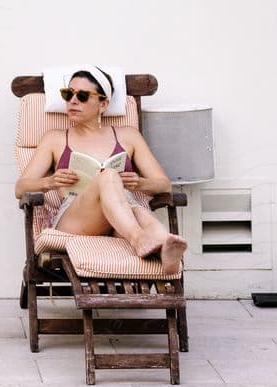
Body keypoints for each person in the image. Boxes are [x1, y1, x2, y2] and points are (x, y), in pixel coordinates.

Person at [15, 66, 188, 274]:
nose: (73, 101)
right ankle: (139, 239)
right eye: (68, 94)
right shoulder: (55, 139)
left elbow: (163, 184)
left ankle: (167, 253)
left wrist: (140, 183)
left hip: (121, 214)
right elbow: (20, 187)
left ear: (103, 104)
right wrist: (50, 181)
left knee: (137, 210)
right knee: (108, 177)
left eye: (83, 96)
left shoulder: (128, 136)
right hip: (75, 218)